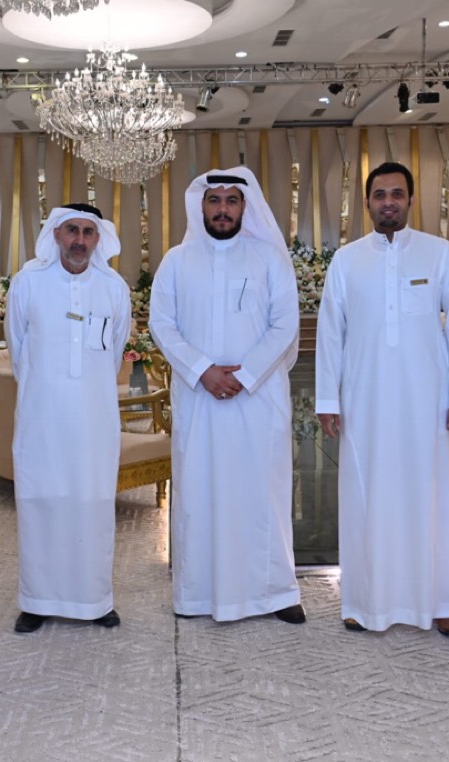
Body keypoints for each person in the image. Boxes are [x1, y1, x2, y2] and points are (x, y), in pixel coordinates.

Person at [315, 161, 449, 636]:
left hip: (428, 401)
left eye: (397, 194)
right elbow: (330, 334)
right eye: (380, 194)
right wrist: (328, 400)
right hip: (363, 401)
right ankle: (366, 601)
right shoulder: (347, 260)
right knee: (367, 497)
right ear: (366, 203)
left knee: (434, 494)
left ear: (410, 200)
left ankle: (446, 601)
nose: (388, 202)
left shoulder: (439, 253)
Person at [149, 166, 305, 624]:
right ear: (200, 206)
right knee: (199, 493)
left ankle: (275, 592)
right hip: (199, 400)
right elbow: (162, 324)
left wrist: (246, 374)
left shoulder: (269, 258)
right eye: (214, 200)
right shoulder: (176, 261)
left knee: (263, 494)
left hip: (259, 400)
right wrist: (203, 371)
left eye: (231, 200)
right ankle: (197, 594)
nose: (222, 209)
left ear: (244, 207)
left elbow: (285, 323)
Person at [5, 203, 130, 633]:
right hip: (41, 419)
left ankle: (96, 600)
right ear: (56, 234)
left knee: (93, 505)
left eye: (88, 232)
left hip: (95, 421)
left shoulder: (113, 288)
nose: (79, 240)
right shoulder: (27, 283)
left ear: (99, 239)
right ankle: (36, 601)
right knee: (40, 502)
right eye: (72, 230)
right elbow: (19, 350)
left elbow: (114, 351)